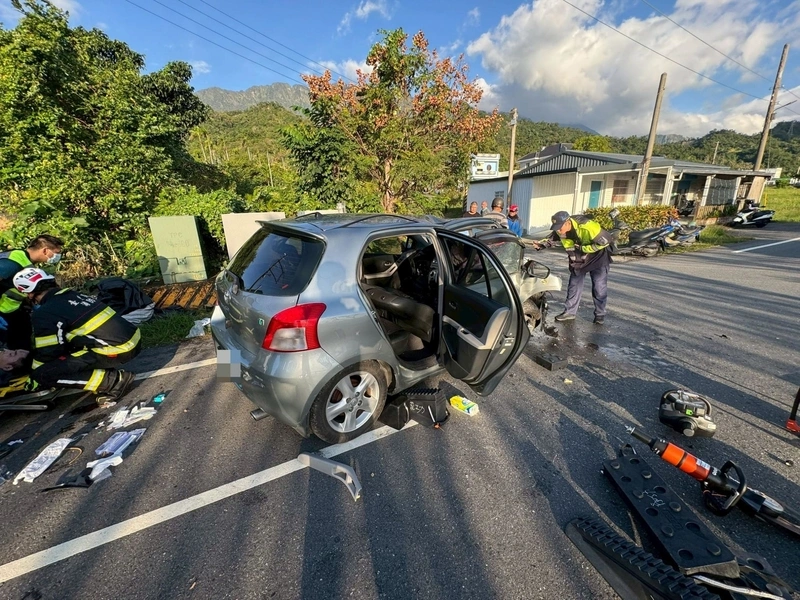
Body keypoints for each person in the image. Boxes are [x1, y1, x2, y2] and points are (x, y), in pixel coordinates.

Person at [12, 267, 141, 404]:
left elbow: (49, 352)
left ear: (29, 294)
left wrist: (34, 374)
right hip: (132, 338)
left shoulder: (44, 313)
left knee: (44, 374)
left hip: (118, 349)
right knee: (69, 346)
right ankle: (103, 374)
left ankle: (113, 381)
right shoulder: (72, 295)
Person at [534, 210, 613, 325]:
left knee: (599, 287)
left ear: (568, 223)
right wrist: (542, 244)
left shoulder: (587, 226)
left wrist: (585, 249)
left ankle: (600, 314)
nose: (558, 231)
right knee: (574, 285)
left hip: (598, 258)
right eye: (556, 228)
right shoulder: (560, 230)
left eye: (560, 228)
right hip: (579, 259)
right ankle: (570, 312)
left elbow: (606, 240)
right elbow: (551, 239)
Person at [0, 234, 64, 350]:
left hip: (14, 311)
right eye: (56, 253)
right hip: (4, 313)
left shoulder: (23, 260)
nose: (58, 256)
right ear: (45, 250)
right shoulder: (11, 263)